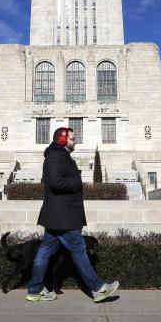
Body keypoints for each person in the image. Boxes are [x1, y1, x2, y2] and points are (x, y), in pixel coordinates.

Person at [25, 127, 120, 302]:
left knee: (45, 251)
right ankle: (98, 288)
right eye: (72, 138)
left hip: (58, 215)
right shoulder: (55, 156)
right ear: (62, 140)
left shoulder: (60, 156)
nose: (75, 141)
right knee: (78, 250)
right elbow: (55, 182)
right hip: (63, 216)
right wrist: (77, 181)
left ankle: (35, 289)